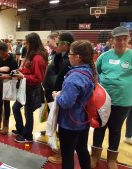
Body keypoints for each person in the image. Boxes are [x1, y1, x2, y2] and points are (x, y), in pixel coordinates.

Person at [91, 27, 132, 169]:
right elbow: (95, 73)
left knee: (115, 129)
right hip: (103, 101)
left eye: (124, 39)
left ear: (128, 39)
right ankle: (95, 155)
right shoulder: (104, 56)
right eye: (118, 39)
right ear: (112, 40)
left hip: (123, 102)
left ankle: (112, 159)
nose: (121, 42)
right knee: (99, 127)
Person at [53, 40, 96, 169]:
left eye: (70, 53)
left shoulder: (74, 77)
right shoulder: (90, 71)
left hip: (70, 124)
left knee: (67, 155)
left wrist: (57, 96)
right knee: (82, 149)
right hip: (84, 120)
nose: (68, 56)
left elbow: (66, 103)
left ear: (78, 57)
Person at [12, 32, 48, 143]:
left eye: (27, 43)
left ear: (32, 43)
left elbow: (38, 78)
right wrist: (20, 71)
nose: (25, 45)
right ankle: (21, 130)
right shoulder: (32, 55)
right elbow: (28, 71)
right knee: (16, 108)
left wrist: (23, 76)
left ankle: (28, 136)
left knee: (28, 113)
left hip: (32, 89)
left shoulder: (38, 58)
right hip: (25, 87)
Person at [47, 31, 75, 164]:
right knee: (60, 124)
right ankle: (62, 152)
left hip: (64, 95)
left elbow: (64, 78)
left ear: (65, 44)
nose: (55, 46)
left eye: (58, 43)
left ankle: (63, 155)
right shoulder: (61, 56)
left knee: (64, 126)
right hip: (57, 94)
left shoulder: (70, 59)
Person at [0, 42, 18, 135]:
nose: (0, 55)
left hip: (8, 85)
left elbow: (16, 75)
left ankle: (5, 125)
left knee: (6, 104)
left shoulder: (12, 60)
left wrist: (7, 76)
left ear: (6, 51)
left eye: (2, 53)